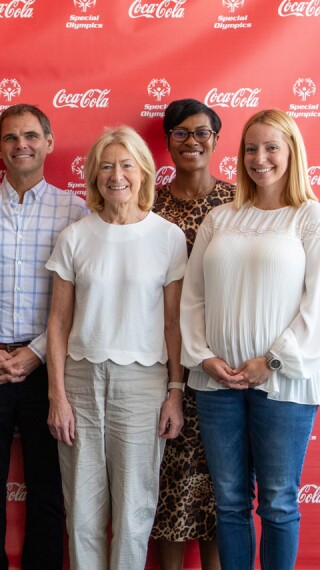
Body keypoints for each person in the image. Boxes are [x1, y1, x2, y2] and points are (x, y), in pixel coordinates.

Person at [0, 104, 86, 569]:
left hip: (50, 370)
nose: (20, 144)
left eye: (30, 135)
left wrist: (35, 353)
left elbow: (82, 295)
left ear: (48, 141)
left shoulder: (76, 210)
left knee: (49, 488)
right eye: (10, 137)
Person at [181, 109, 320, 570]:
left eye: (271, 147)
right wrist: (202, 357)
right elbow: (193, 296)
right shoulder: (220, 218)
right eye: (251, 148)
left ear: (292, 152)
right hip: (216, 384)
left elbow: (316, 306)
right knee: (230, 504)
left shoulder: (310, 218)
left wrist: (272, 361)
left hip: (283, 385)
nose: (260, 158)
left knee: (278, 503)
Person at [46, 126, 187, 570]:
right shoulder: (74, 237)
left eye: (126, 165)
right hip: (80, 383)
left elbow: (172, 323)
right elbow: (58, 322)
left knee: (134, 512)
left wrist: (175, 392)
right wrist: (57, 396)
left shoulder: (167, 237)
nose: (116, 175)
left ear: (143, 172)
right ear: (93, 175)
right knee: (82, 513)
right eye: (106, 166)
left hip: (143, 383)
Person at [150, 98, 235, 570]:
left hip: (223, 360)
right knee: (170, 484)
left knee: (223, 488)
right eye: (180, 133)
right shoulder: (149, 203)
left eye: (201, 132)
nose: (192, 142)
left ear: (217, 140)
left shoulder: (238, 203)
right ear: (166, 142)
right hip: (164, 362)